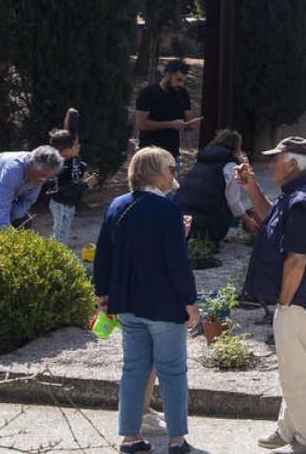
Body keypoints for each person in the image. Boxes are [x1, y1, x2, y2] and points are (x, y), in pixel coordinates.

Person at [93, 147, 198, 454]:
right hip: (163, 305)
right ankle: (177, 440)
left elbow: (103, 255)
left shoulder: (117, 205)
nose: (173, 174)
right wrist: (189, 302)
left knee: (134, 370)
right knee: (173, 372)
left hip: (127, 303)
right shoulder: (167, 209)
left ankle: (130, 437)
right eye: (170, 168)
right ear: (156, 172)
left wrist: (103, 294)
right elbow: (176, 261)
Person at [240, 137, 306, 454]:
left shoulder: (301, 200)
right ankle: (287, 429)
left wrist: (283, 303)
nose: (271, 165)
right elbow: (272, 219)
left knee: (297, 379)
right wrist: (252, 189)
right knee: (297, 370)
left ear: (293, 163)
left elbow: (296, 261)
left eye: (276, 159)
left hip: (299, 303)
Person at [173, 129, 257, 248]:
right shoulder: (230, 165)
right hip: (206, 224)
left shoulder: (201, 161)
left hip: (181, 219)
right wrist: (248, 220)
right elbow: (233, 201)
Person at [136, 59, 197, 177]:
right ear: (167, 75)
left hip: (172, 154)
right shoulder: (148, 93)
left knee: (170, 193)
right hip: (150, 154)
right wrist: (170, 124)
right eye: (178, 80)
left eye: (184, 81)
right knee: (149, 192)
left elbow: (188, 120)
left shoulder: (182, 93)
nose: (181, 84)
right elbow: (141, 124)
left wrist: (190, 124)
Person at [47, 116, 99, 244]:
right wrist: (86, 184)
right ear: (65, 151)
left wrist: (86, 170)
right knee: (61, 235)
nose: (79, 146)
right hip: (61, 204)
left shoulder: (73, 157)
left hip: (68, 204)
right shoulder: (62, 168)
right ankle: (56, 258)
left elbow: (79, 165)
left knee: (61, 231)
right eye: (75, 145)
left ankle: (54, 252)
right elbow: (67, 190)